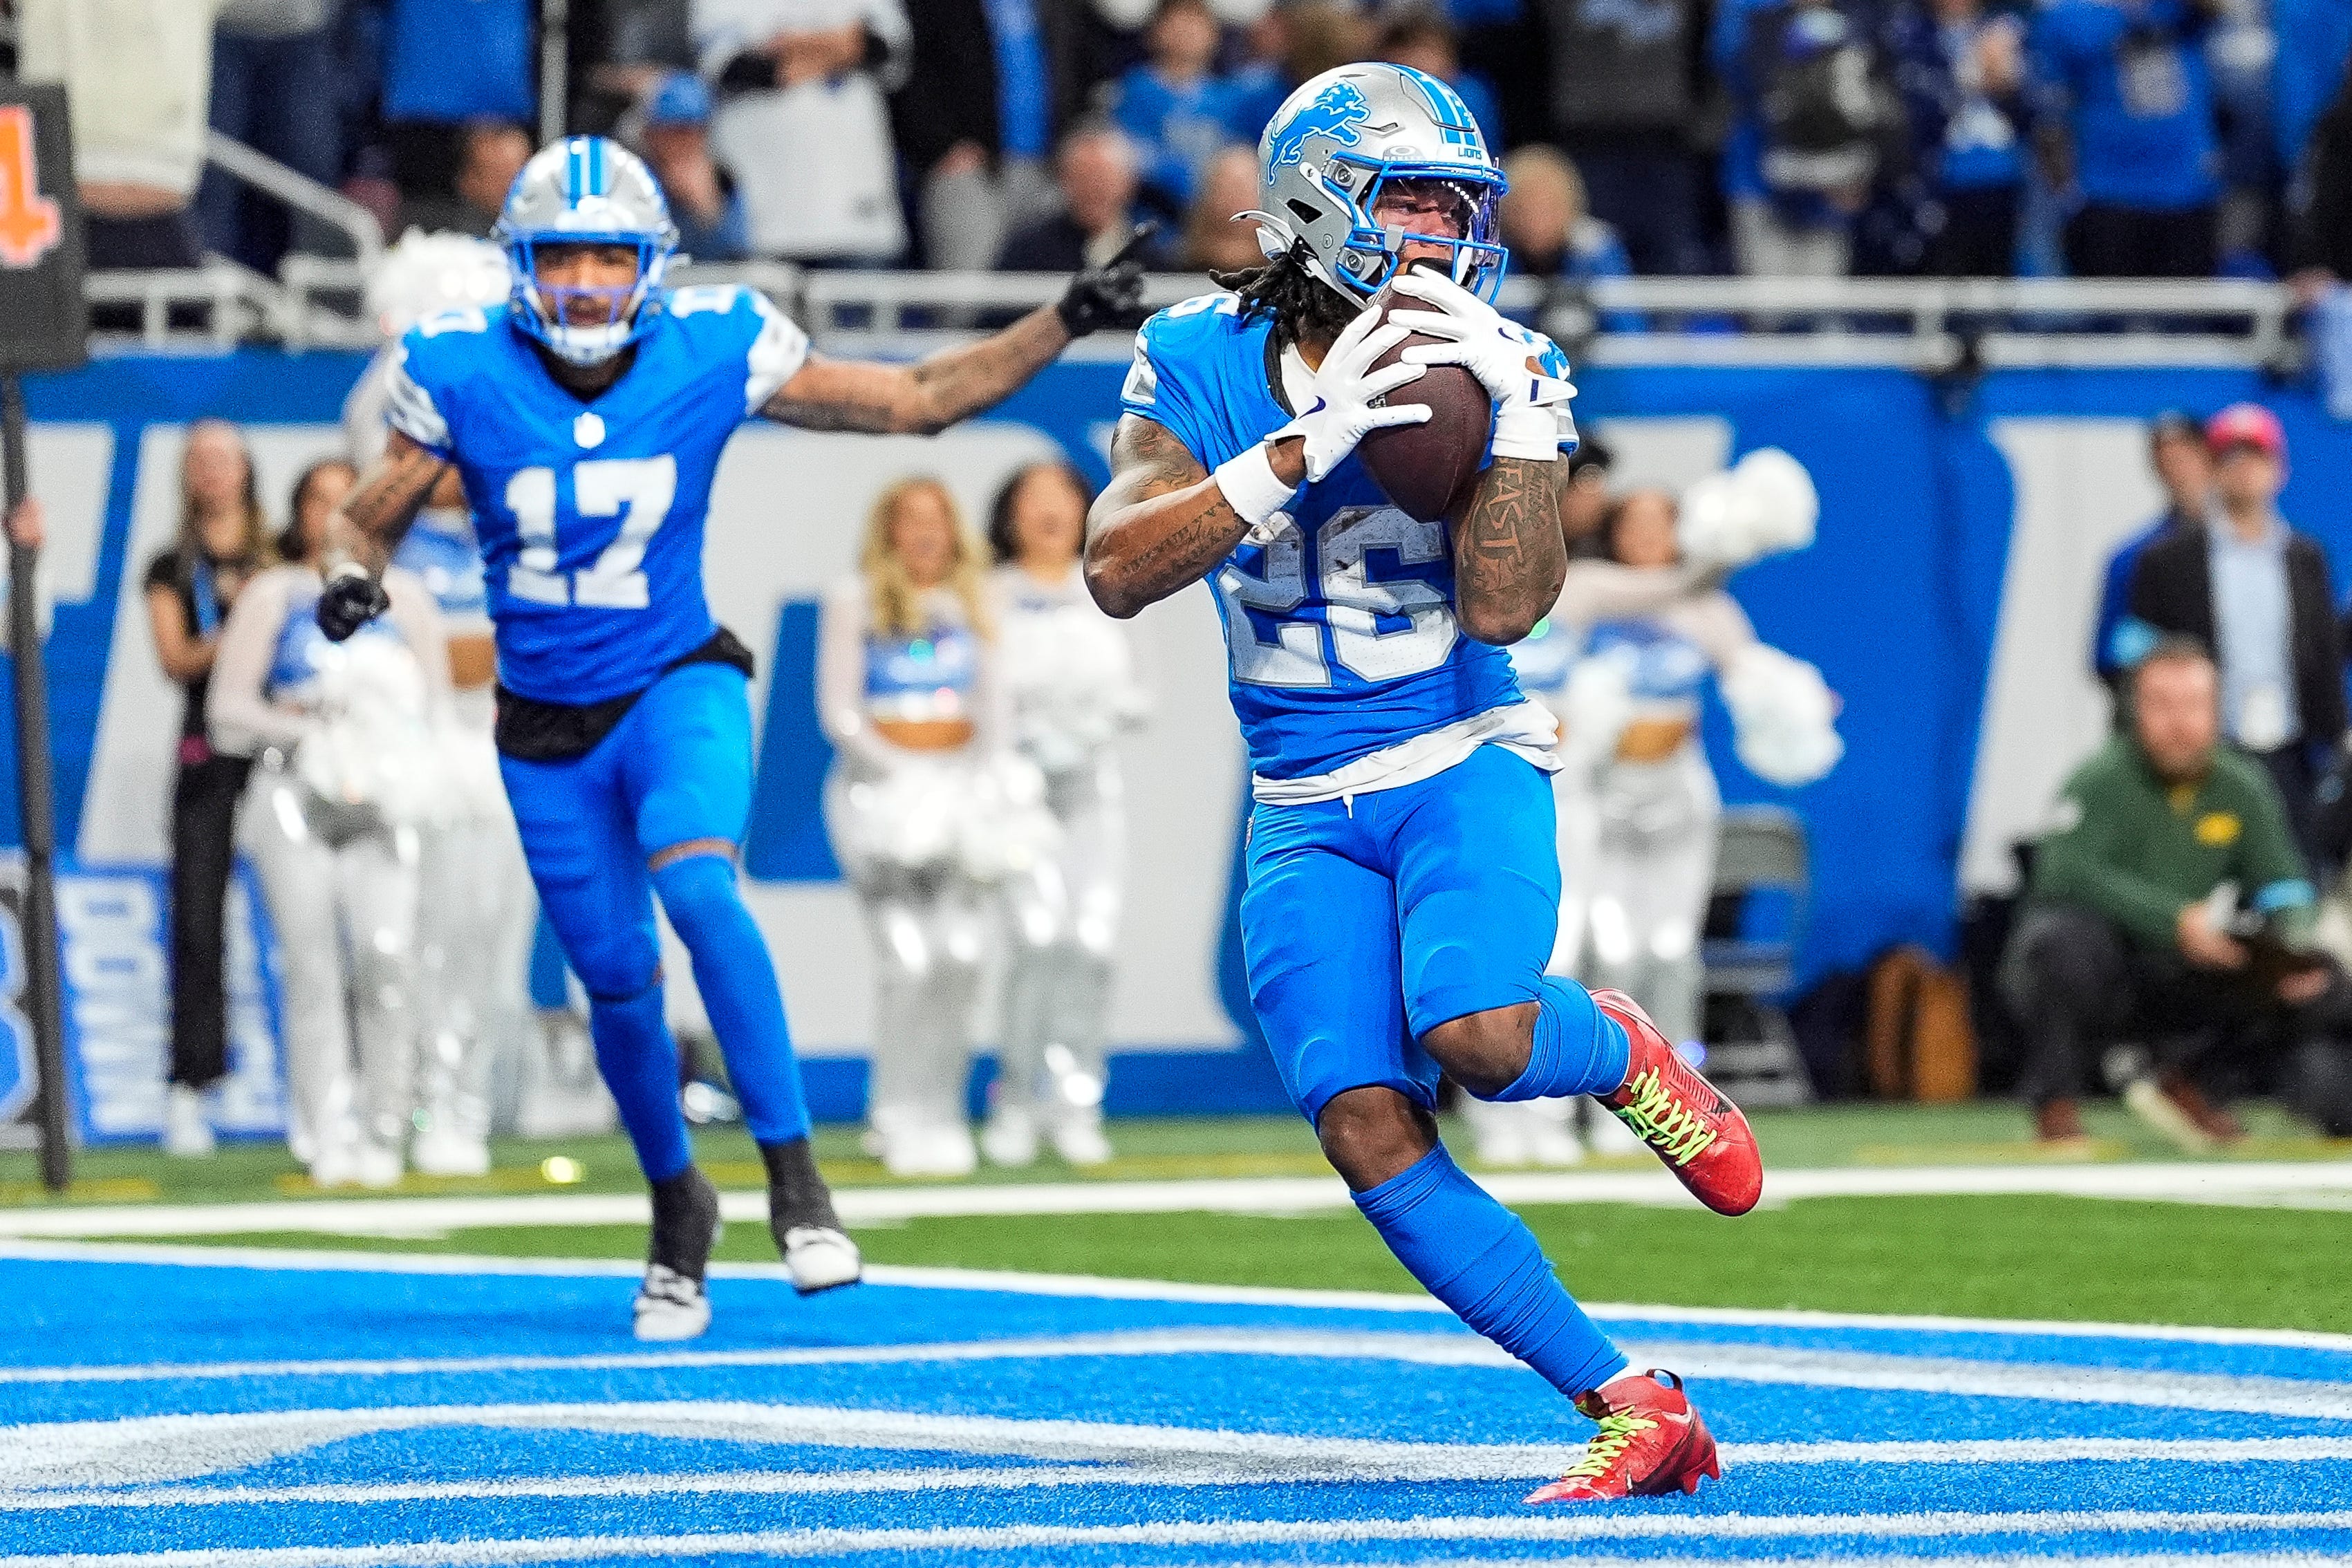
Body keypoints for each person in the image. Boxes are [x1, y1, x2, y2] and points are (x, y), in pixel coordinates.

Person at [317, 135, 1147, 1338]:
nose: (590, 283)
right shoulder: (456, 368)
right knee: (613, 980)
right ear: (521, 267)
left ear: (650, 264)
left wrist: (1061, 316)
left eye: (611, 255)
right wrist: (352, 577)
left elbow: (916, 399)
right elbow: (363, 515)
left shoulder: (715, 344)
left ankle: (798, 1181)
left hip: (674, 680)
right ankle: (675, 1203)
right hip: (546, 722)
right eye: (564, 257)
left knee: (702, 890)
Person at [1083, 62, 1762, 1501]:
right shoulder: (1196, 355)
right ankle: (1630, 1401)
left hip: (1459, 756)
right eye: (1414, 202)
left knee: (1479, 1035)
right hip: (1300, 799)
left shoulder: (1495, 361)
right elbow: (1114, 568)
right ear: (1316, 203)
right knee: (1363, 1121)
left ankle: (1622, 1052)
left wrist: (1521, 422)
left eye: (1465, 210)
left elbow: (1509, 606)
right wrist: (1293, 454)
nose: (1448, 240)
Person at [346, 230, 539, 1177]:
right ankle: (384, 1111)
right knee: (391, 950)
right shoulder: (383, 541)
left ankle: (459, 1109)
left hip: (497, 761)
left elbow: (514, 657)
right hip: (403, 765)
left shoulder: (522, 540)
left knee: (483, 946)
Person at [2001, 638, 2352, 1146]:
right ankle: (2056, 1102)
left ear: (2215, 710)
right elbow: (2063, 873)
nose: (2179, 724)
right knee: (2062, 945)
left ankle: (2192, 1082)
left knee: (2319, 980)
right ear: (2134, 710)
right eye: (2162, 705)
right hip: (2110, 963)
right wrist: (2171, 921)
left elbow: (2283, 883)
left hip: (2187, 969)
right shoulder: (2100, 781)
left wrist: (2292, 944)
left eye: (2193, 705)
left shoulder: (2240, 785)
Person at [208, 458, 451, 1187]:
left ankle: (387, 1129)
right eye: (320, 501)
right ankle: (326, 1132)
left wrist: (387, 751)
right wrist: (307, 731)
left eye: (354, 504)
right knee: (310, 967)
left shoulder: (407, 601)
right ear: (301, 514)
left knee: (387, 958)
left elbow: (433, 715)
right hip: (295, 797)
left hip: (382, 803)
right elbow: (227, 710)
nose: (337, 517)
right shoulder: (276, 593)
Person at [1555, 482, 1838, 1056]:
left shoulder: (1708, 610)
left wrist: (1799, 706)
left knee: (1672, 946)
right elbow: (1668, 588)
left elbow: (1749, 674)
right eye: (1634, 525)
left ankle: (1676, 1082)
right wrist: (1731, 545)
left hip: (1678, 789)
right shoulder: (1587, 590)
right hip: (1602, 792)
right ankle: (1605, 1081)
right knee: (1608, 947)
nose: (1647, 538)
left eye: (1661, 525)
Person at [819, 479, 1016, 1177]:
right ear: (889, 531)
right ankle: (895, 1114)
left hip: (960, 794)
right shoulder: (856, 600)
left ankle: (943, 1109)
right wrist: (903, 772)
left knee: (962, 955)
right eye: (911, 521)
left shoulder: (976, 600)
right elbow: (840, 713)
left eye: (939, 520)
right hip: (878, 797)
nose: (926, 533)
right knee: (907, 961)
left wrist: (987, 784)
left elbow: (995, 711)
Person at [984, 460, 1146, 1168]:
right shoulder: (986, 595)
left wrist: (1093, 722)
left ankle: (1076, 1099)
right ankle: (1017, 1096)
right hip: (1017, 792)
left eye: (1061, 498)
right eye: (1033, 499)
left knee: (1091, 941)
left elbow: (1145, 692)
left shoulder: (1109, 585)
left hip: (1093, 789)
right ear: (1010, 515)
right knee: (1037, 938)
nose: (1049, 512)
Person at [2127, 404, 2346, 873]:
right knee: (2196, 877)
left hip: (2289, 751)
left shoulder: (2306, 558)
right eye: (2232, 457)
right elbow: (2138, 664)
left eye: (2257, 457)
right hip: (2205, 753)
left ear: (2280, 469)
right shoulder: (2168, 560)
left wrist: (2332, 742)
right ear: (2213, 469)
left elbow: (2322, 657)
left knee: (2296, 875)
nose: (2245, 471)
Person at [142, 422, 277, 1159]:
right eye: (201, 461)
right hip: (207, 749)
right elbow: (176, 659)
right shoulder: (173, 565)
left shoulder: (279, 554)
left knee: (318, 914)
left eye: (226, 458)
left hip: (286, 747)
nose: (214, 473)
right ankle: (191, 1083)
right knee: (196, 918)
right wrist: (246, 621)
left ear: (247, 468)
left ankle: (335, 1085)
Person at [696, 0, 913, 264]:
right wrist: (839, 46)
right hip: (764, 212)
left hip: (856, 208)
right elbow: (732, 67)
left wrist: (793, 45)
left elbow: (884, 48)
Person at [2029, 0, 2223, 278]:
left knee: (2186, 315)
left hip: (2188, 189)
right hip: (2105, 194)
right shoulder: (2069, 16)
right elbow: (2048, 117)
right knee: (2112, 314)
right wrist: (2066, 194)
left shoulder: (2177, 10)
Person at [1885, 0, 2032, 277]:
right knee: (1943, 275)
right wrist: (1966, 77)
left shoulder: (2006, 31)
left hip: (2001, 177)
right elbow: (1910, 109)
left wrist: (2006, 84)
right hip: (1939, 180)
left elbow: (2032, 114)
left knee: (1997, 274)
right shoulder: (1911, 36)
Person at [2090, 409, 2210, 689]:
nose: (2177, 468)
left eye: (2185, 454)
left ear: (2208, 459)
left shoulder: (2251, 550)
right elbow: (2109, 655)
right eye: (2166, 458)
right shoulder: (2133, 556)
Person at [1109, 0, 1247, 216]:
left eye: (1196, 20)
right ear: (1155, 32)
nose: (1187, 30)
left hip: (1212, 218)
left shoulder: (1229, 97)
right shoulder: (1136, 90)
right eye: (1176, 20)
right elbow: (1129, 155)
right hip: (1151, 216)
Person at [998, 122, 1154, 272]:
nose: (1094, 189)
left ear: (1128, 184)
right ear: (1063, 181)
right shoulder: (1028, 252)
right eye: (1084, 178)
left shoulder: (1150, 257)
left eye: (1103, 180)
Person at [636, 73, 753, 263]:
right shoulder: (635, 177)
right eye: (672, 132)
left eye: (692, 132)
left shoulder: (723, 179)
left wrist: (707, 209)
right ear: (651, 135)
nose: (682, 143)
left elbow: (736, 253)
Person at [1181, 145, 1268, 272]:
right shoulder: (1173, 267)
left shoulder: (1295, 266)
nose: (1235, 199)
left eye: (1244, 189)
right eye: (1226, 188)